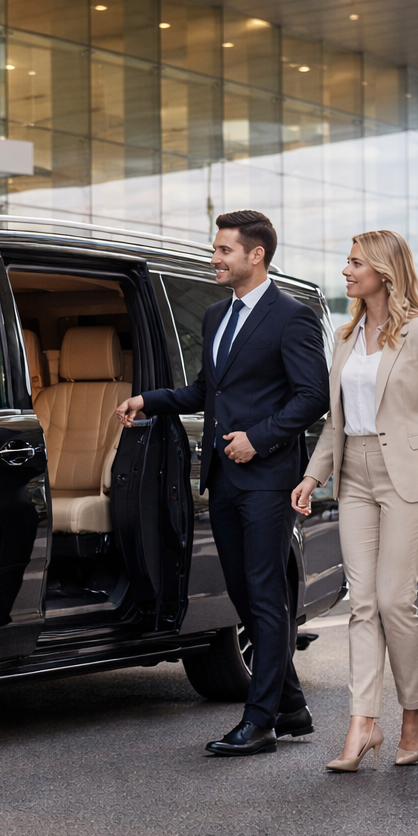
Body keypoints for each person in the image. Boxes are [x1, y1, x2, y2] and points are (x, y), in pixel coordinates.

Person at [117, 210, 328, 757]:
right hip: (223, 477)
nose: (214, 258)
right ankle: (292, 705)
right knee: (245, 593)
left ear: (255, 256)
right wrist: (149, 400)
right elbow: (206, 392)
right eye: (216, 249)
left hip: (267, 477)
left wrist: (259, 438)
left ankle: (260, 723)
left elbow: (312, 397)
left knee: (264, 595)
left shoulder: (292, 317)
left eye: (224, 250)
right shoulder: (215, 316)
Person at [293, 230, 418, 772]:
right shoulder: (347, 337)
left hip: (410, 476)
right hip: (354, 476)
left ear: (383, 270)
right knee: (364, 603)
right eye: (347, 263)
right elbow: (337, 419)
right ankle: (362, 723)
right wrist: (312, 476)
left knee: (396, 601)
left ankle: (414, 711)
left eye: (355, 263)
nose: (346, 271)